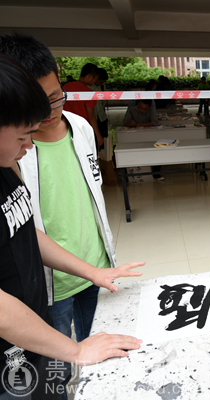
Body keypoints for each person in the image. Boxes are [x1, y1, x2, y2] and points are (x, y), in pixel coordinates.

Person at [0, 52, 143, 399]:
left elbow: (26, 232)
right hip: (14, 345)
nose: (28, 145)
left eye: (56, 98)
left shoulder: (8, 164)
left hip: (41, 312)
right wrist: (75, 349)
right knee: (44, 381)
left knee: (59, 384)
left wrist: (92, 271)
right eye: (22, 136)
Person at [0, 33, 120, 346]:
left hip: (95, 268)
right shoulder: (9, 155)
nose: (50, 111)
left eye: (56, 97)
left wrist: (96, 267)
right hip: (49, 285)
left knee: (98, 348)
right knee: (56, 362)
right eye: (38, 105)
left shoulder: (80, 128)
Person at [63, 63, 103, 149]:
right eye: (94, 79)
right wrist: (98, 135)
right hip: (83, 129)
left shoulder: (65, 87)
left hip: (66, 128)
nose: (94, 82)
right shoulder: (88, 92)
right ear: (89, 76)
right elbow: (91, 116)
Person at [123, 100, 163, 181]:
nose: (142, 110)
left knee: (155, 151)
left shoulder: (152, 110)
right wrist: (130, 124)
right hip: (134, 136)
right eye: (140, 107)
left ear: (149, 107)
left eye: (145, 109)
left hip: (149, 135)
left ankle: (156, 172)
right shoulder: (132, 109)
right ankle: (128, 173)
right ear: (138, 104)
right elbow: (125, 122)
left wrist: (140, 124)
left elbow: (155, 122)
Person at [89, 68, 109, 142]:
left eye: (103, 82)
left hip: (102, 117)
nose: (102, 84)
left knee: (104, 140)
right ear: (96, 78)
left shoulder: (103, 86)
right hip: (92, 117)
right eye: (100, 82)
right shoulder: (88, 87)